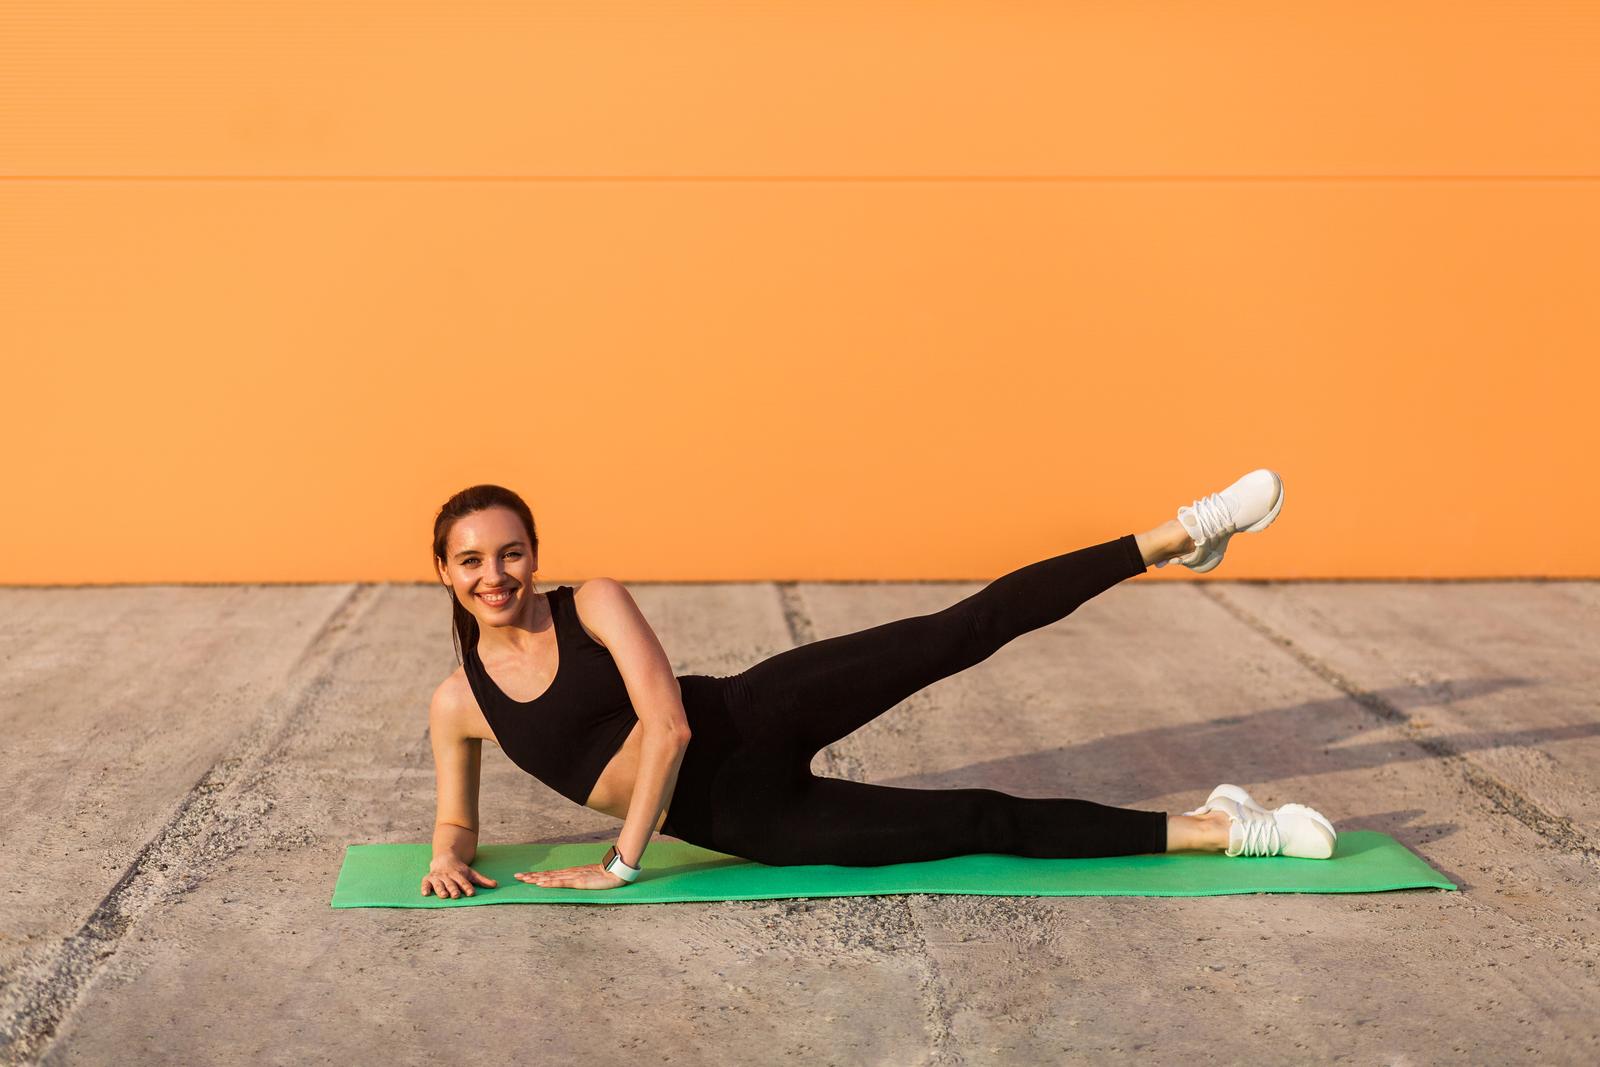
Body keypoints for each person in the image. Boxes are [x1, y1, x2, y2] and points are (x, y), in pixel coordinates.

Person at [421, 470, 1336, 898]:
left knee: (959, 631)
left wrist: (621, 864)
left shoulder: (592, 604)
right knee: (981, 821)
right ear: (444, 572)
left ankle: (1179, 535)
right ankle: (1228, 831)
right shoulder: (458, 704)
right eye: (472, 560)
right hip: (754, 824)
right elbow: (456, 820)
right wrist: (447, 855)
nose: (495, 574)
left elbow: (666, 728)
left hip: (750, 714)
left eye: (512, 552)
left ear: (536, 555)